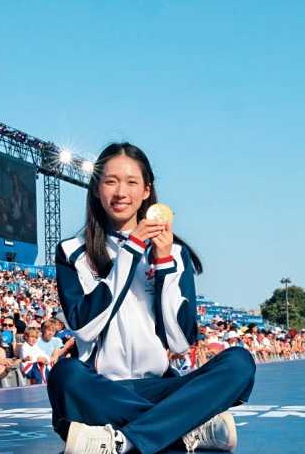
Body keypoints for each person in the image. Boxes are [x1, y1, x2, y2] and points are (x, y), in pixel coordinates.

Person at [48, 143, 255, 454]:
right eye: (110, 181)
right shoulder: (71, 251)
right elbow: (85, 327)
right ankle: (189, 426)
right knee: (64, 375)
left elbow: (182, 343)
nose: (120, 192)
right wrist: (130, 251)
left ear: (146, 191)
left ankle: (122, 440)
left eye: (131, 182)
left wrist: (162, 264)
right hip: (101, 389)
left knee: (240, 363)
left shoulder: (174, 253)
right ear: (95, 189)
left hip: (160, 388)